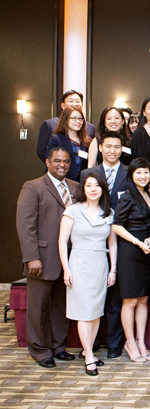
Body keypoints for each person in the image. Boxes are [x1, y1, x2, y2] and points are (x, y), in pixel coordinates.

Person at [16, 147, 80, 368]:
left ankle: (58, 346)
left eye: (66, 161)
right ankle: (40, 349)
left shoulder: (75, 187)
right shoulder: (33, 186)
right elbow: (26, 226)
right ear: (47, 162)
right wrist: (32, 256)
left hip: (69, 259)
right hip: (42, 259)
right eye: (57, 161)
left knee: (61, 305)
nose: (62, 165)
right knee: (39, 306)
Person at [58, 172, 118, 376]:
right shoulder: (73, 210)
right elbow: (62, 241)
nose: (93, 189)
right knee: (84, 312)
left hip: (100, 263)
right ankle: (90, 355)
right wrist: (66, 268)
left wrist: (113, 269)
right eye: (89, 185)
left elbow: (112, 243)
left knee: (95, 311)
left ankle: (88, 350)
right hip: (79, 263)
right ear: (83, 189)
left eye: (97, 185)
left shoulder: (107, 212)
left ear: (102, 189)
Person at [79, 132, 129, 358]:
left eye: (116, 147)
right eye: (108, 146)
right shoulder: (88, 174)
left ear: (122, 149)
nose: (112, 151)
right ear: (100, 148)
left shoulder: (130, 173)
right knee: (94, 294)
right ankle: (92, 344)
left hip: (122, 238)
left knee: (116, 295)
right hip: (93, 241)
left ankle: (114, 343)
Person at [111, 158, 150, 363]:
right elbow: (116, 226)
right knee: (129, 301)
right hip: (130, 252)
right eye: (138, 173)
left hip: (148, 252)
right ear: (131, 176)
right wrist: (138, 242)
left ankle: (141, 340)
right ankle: (129, 342)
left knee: (144, 299)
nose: (143, 176)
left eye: (146, 172)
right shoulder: (127, 197)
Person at [36, 90, 95, 163]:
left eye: (77, 101)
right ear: (63, 105)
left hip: (82, 171)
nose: (74, 104)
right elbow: (42, 151)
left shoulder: (90, 127)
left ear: (82, 105)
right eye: (70, 101)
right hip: (59, 170)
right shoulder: (49, 124)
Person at [46, 106, 92, 182]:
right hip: (61, 180)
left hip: (81, 182)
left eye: (80, 118)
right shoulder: (56, 139)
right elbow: (50, 161)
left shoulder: (87, 141)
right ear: (66, 120)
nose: (78, 121)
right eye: (74, 118)